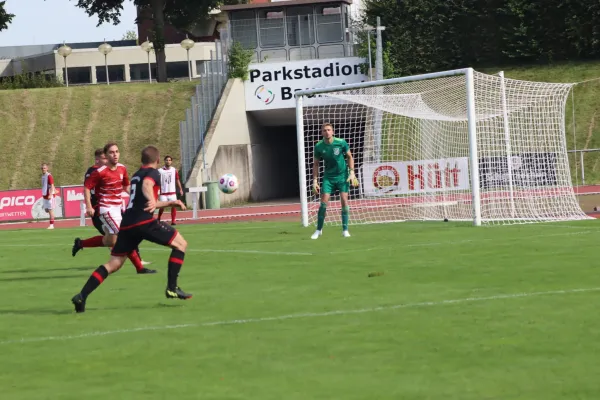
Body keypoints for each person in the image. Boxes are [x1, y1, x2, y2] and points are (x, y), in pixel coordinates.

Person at [71, 145, 191, 313]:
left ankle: (81, 296)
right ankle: (172, 287)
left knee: (113, 263)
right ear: (157, 160)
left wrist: (172, 202)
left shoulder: (135, 175)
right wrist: (151, 197)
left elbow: (144, 196)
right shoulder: (153, 173)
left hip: (127, 222)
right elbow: (147, 187)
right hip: (143, 222)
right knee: (181, 245)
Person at [72, 142, 154, 274]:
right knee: (125, 235)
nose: (115, 154)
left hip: (118, 208)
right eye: (111, 152)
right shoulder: (99, 172)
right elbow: (87, 187)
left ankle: (80, 243)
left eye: (117, 151)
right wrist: (88, 206)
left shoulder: (122, 168)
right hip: (106, 209)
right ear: (106, 155)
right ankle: (140, 267)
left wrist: (137, 197)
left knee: (109, 240)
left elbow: (126, 186)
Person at [311, 123, 359, 239]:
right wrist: (315, 181)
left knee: (344, 200)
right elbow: (316, 164)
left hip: (342, 176)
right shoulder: (319, 146)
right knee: (323, 203)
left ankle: (345, 230)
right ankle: (318, 229)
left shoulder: (341, 142)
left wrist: (352, 172)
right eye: (324, 130)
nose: (326, 132)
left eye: (328, 130)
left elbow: (349, 156)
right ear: (322, 133)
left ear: (332, 131)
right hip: (328, 177)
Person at [157, 155, 183, 225]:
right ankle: (158, 219)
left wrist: (180, 189)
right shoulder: (160, 171)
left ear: (171, 161)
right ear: (164, 161)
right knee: (162, 207)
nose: (168, 161)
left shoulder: (174, 170)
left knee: (173, 206)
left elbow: (177, 180)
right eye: (167, 160)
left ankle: (173, 221)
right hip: (163, 192)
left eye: (169, 160)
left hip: (172, 192)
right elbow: (156, 180)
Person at [41, 163, 57, 230]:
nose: (43, 169)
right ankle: (52, 217)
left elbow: (52, 185)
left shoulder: (49, 176)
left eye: (44, 168)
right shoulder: (43, 176)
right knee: (46, 210)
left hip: (50, 196)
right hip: (45, 196)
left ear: (47, 168)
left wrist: (51, 194)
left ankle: (51, 225)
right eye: (42, 168)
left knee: (50, 210)